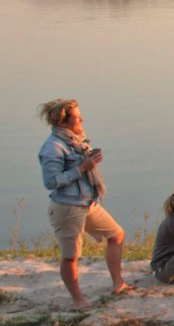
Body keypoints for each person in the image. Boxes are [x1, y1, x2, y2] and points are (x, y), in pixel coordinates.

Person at [36, 98, 129, 309]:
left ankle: (118, 283)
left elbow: (82, 166)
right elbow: (50, 182)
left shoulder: (75, 141)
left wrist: (91, 159)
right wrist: (82, 168)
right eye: (77, 117)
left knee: (116, 235)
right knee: (71, 256)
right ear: (63, 121)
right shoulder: (53, 148)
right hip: (67, 207)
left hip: (87, 203)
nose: (82, 120)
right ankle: (78, 299)